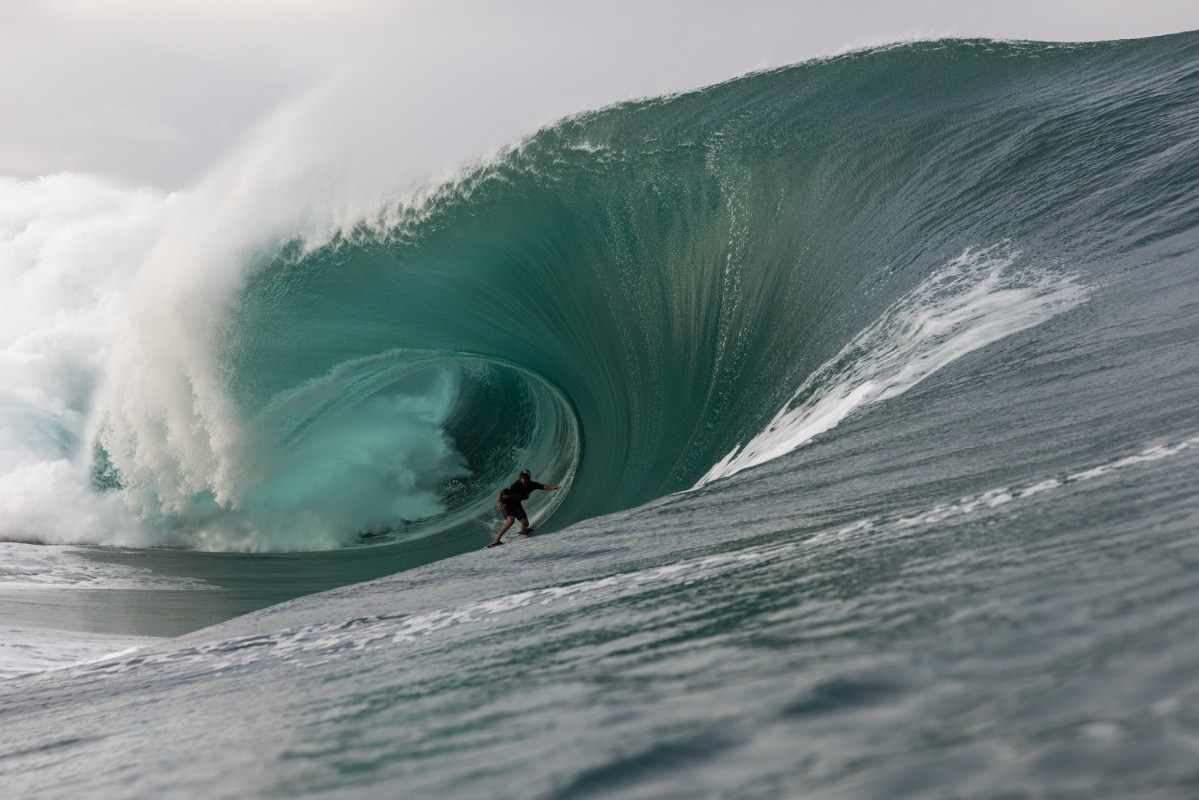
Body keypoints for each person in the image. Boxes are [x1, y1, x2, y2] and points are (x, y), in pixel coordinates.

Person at [487, 469, 560, 547]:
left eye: (526, 477)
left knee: (525, 523)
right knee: (511, 520)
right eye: (522, 478)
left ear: (529, 477)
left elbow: (543, 486)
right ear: (520, 478)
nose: (524, 479)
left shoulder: (532, 485)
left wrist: (551, 488)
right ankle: (496, 540)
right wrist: (499, 501)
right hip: (506, 504)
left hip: (516, 504)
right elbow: (501, 492)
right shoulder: (516, 485)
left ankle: (522, 531)